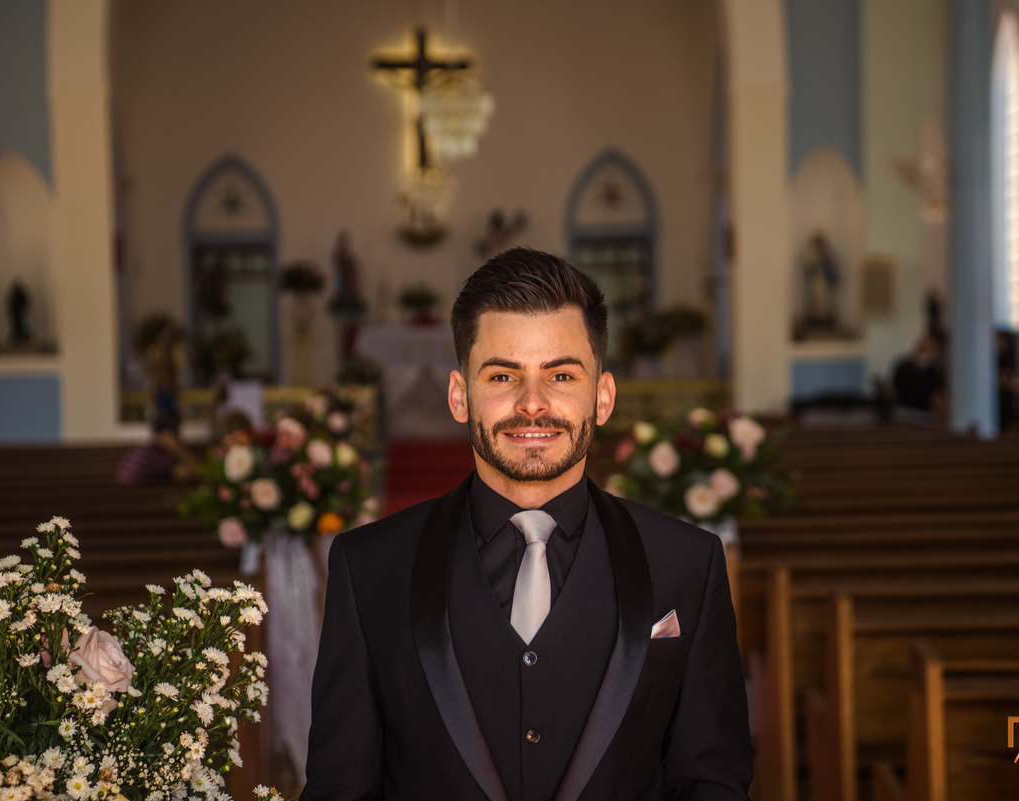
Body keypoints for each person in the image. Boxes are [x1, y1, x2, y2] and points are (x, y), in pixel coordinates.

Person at [303, 248, 753, 800]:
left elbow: (712, 783)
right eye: (502, 375)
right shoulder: (368, 567)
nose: (532, 404)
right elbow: (340, 789)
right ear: (460, 396)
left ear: (603, 397)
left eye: (561, 374)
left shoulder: (688, 563)